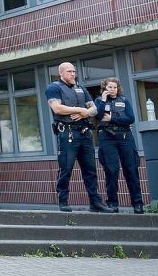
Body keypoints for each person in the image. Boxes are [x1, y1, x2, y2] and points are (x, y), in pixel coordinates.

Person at [45, 62, 114, 213]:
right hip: (67, 133)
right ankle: (63, 201)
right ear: (61, 73)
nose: (72, 74)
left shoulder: (81, 88)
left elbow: (94, 109)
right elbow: (57, 108)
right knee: (66, 168)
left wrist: (86, 113)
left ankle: (95, 203)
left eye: (74, 71)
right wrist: (81, 110)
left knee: (90, 170)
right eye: (69, 71)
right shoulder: (54, 87)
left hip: (84, 133)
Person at [94, 77, 145, 214]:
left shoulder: (124, 100)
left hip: (125, 137)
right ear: (104, 88)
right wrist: (103, 101)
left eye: (114, 87)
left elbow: (130, 118)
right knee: (111, 170)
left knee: (131, 170)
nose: (112, 89)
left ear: (118, 88)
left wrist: (111, 119)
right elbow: (98, 116)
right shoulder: (99, 101)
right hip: (107, 138)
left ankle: (138, 204)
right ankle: (112, 203)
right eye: (109, 87)